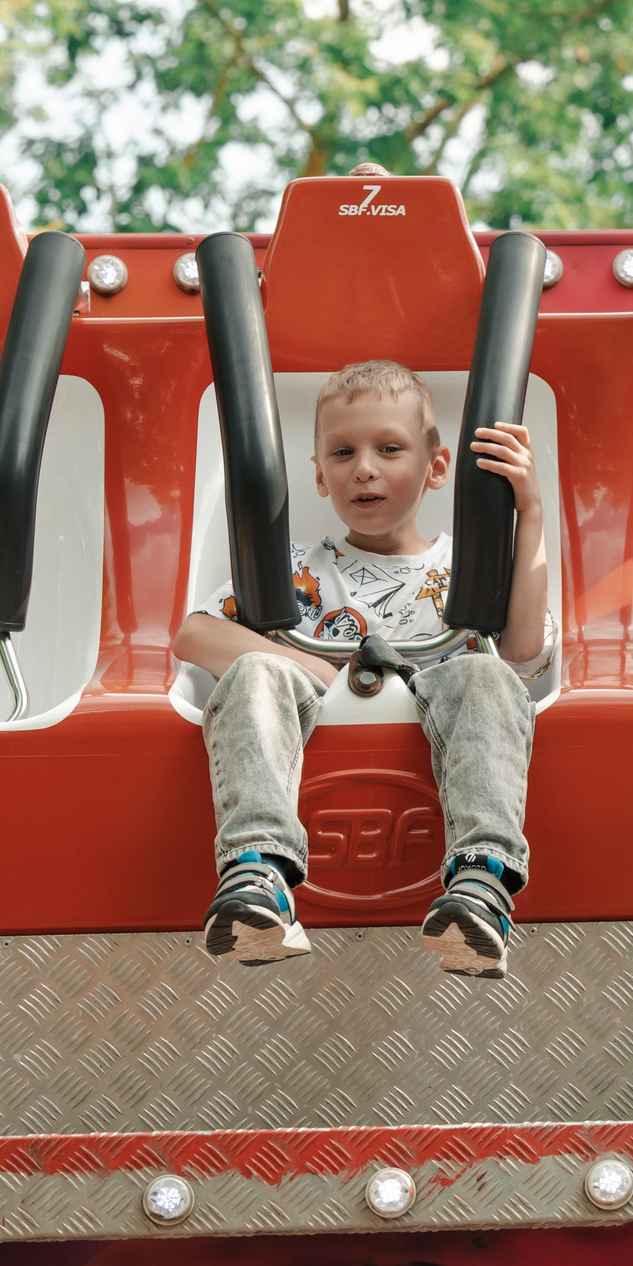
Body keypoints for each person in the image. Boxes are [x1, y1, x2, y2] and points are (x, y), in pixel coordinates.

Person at [171, 359, 552, 976]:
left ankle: (482, 880)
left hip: (428, 748)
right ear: (320, 475)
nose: (364, 468)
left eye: (389, 449)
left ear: (436, 467)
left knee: (485, 675)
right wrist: (317, 671)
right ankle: (256, 873)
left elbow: (523, 652)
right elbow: (194, 634)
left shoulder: (467, 572)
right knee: (254, 671)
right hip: (327, 749)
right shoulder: (294, 572)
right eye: (343, 453)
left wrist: (528, 512)